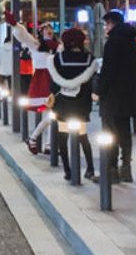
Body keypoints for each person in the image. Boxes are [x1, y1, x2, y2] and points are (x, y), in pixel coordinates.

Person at [48, 27, 99, 181]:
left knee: (63, 137)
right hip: (82, 104)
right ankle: (90, 168)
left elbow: (53, 85)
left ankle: (68, 171)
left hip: (63, 103)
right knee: (83, 137)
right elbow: (93, 81)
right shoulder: (90, 59)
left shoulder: (57, 59)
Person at [98, 9, 136, 182]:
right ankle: (126, 168)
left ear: (111, 23)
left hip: (112, 95)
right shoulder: (132, 42)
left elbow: (108, 70)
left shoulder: (113, 42)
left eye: (106, 24)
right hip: (128, 92)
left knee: (109, 132)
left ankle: (111, 170)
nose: (105, 28)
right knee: (124, 130)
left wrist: (98, 90)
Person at [7, 14, 57, 154]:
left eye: (50, 28)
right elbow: (23, 35)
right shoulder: (35, 45)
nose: (49, 30)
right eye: (45, 28)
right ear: (41, 31)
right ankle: (35, 138)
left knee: (52, 115)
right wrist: (15, 25)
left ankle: (46, 143)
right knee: (51, 114)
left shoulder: (58, 46)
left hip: (55, 81)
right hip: (42, 81)